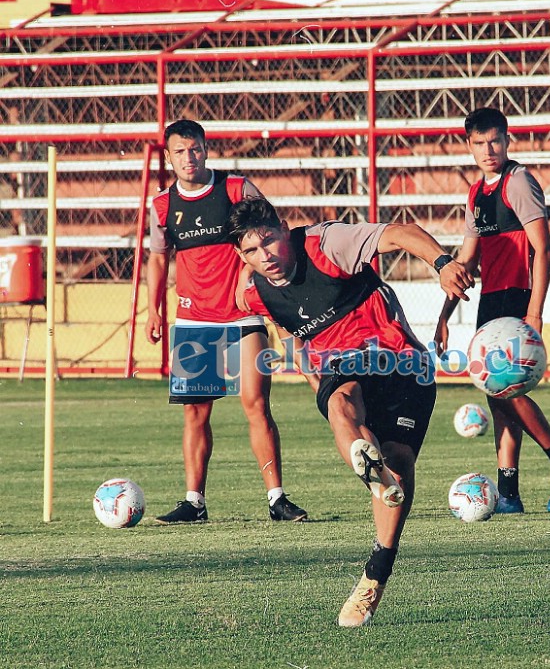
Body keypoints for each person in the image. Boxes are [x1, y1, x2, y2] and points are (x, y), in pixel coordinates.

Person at [227, 196, 472, 627]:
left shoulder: (328, 244)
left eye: (269, 241)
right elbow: (290, 335)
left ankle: (376, 570)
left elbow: (398, 233)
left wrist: (442, 262)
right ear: (240, 255)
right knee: (340, 403)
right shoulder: (254, 292)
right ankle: (368, 465)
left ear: (284, 230)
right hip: (343, 368)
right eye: (251, 250)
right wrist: (315, 384)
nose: (265, 256)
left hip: (401, 361)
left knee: (399, 462)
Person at [145, 119, 307, 524]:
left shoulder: (236, 189)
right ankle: (194, 502)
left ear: (206, 149)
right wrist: (154, 309)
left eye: (195, 148)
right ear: (169, 157)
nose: (189, 157)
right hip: (194, 319)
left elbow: (268, 233)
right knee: (196, 413)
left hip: (243, 313)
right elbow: (159, 256)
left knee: (255, 403)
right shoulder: (163, 205)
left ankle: (277, 498)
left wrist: (246, 276)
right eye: (180, 151)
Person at [435, 107, 550, 514]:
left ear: (507, 140)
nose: (489, 150)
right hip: (492, 301)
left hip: (518, 299)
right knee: (497, 396)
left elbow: (544, 248)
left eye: (495, 141)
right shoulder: (475, 193)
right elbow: (466, 262)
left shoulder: (517, 181)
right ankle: (508, 495)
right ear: (468, 146)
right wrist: (444, 316)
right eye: (480, 143)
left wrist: (535, 312)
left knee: (506, 389)